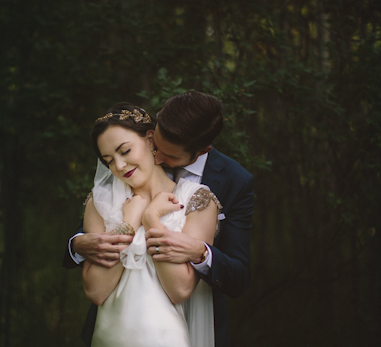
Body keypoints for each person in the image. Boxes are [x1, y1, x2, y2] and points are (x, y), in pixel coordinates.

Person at [63, 92, 254, 347]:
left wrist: (156, 221)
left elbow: (231, 275)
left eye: (125, 151)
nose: (159, 158)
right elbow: (95, 284)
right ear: (153, 135)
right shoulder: (103, 199)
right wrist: (81, 242)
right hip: (112, 330)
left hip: (179, 327)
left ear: (200, 152)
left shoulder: (219, 189)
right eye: (108, 161)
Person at [81, 102, 221, 346]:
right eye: (109, 160)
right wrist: (129, 222)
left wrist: (151, 219)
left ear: (149, 139)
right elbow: (96, 291)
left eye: (124, 151)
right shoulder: (99, 202)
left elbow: (179, 290)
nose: (119, 166)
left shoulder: (196, 201)